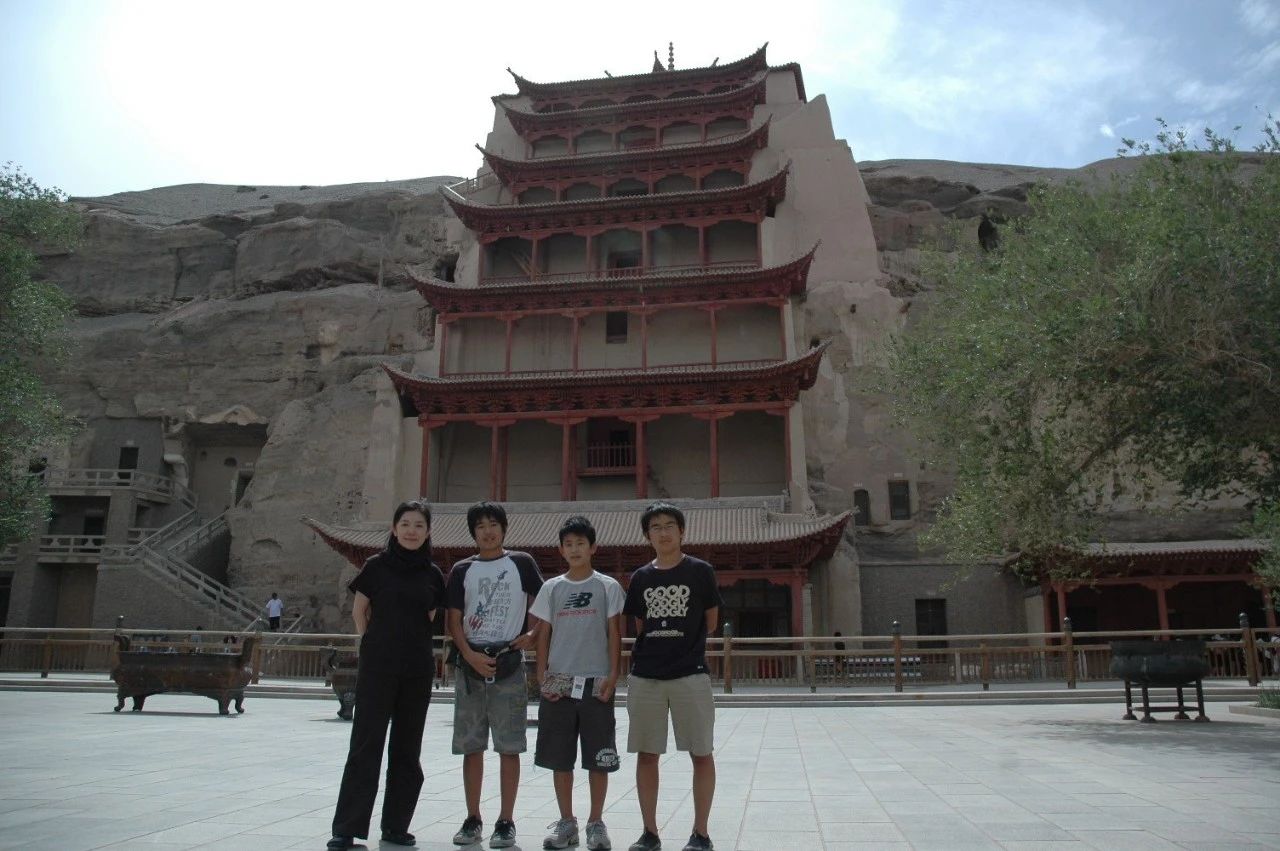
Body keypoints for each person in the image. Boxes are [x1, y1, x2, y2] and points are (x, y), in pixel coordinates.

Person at [327, 500, 446, 851]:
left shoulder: (433, 574)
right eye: (405, 524)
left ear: (428, 532)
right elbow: (359, 611)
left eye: (419, 525)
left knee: (407, 747)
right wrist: (373, 644)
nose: (411, 531)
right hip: (378, 666)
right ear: (394, 529)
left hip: (416, 668)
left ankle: (396, 826)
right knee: (366, 744)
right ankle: (347, 828)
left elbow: (429, 618)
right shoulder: (376, 566)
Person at [624, 502, 723, 851]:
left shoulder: (700, 571)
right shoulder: (640, 578)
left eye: (669, 525)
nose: (663, 532)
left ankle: (701, 833)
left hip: (690, 674)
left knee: (701, 753)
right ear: (647, 535)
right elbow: (641, 626)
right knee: (647, 754)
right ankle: (650, 832)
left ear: (681, 531)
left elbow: (711, 621)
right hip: (646, 676)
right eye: (655, 527)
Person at [447, 501, 544, 848]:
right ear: (472, 532)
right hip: (471, 663)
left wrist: (532, 634)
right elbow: (453, 619)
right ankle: (473, 817)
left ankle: (506, 820)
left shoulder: (521, 562)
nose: (487, 531)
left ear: (504, 528)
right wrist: (468, 654)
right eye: (480, 526)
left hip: (508, 661)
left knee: (509, 746)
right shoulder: (462, 569)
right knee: (471, 747)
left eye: (493, 524)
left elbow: (544, 601)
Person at [530, 516, 624, 851]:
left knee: (599, 756)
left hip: (596, 680)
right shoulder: (552, 587)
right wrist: (542, 675)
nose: (574, 549)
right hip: (559, 681)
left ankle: (596, 823)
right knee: (560, 757)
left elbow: (615, 632)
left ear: (593, 547)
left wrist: (613, 675)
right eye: (568, 544)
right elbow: (543, 633)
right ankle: (566, 822)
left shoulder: (607, 586)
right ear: (561, 549)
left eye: (581, 543)